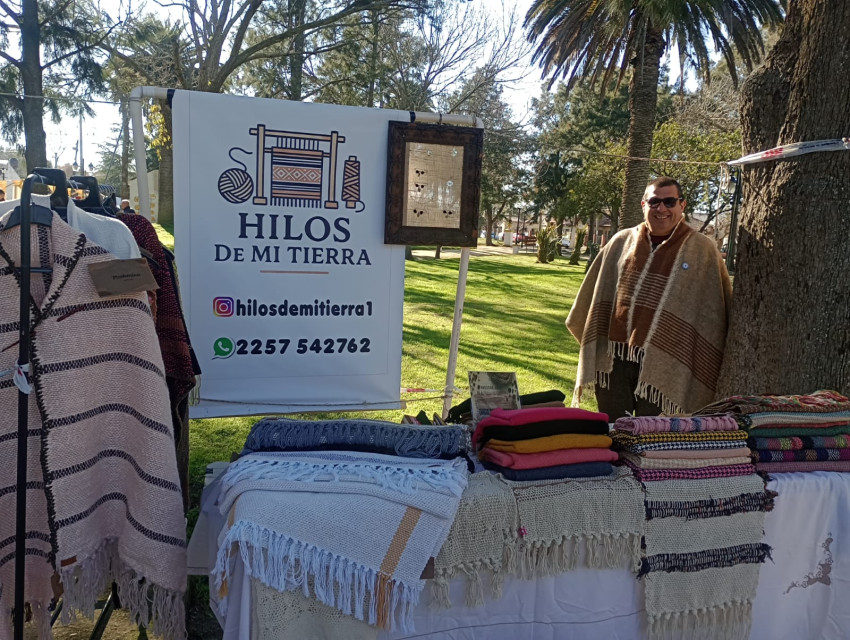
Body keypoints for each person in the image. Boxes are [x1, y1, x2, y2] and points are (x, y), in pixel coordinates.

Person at [566, 177, 732, 419]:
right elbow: (594, 293)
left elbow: (714, 311)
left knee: (654, 434)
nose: (661, 208)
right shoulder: (620, 242)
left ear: (682, 205)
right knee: (614, 430)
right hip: (614, 361)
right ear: (644, 205)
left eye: (669, 202)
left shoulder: (703, 250)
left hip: (668, 366)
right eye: (654, 202)